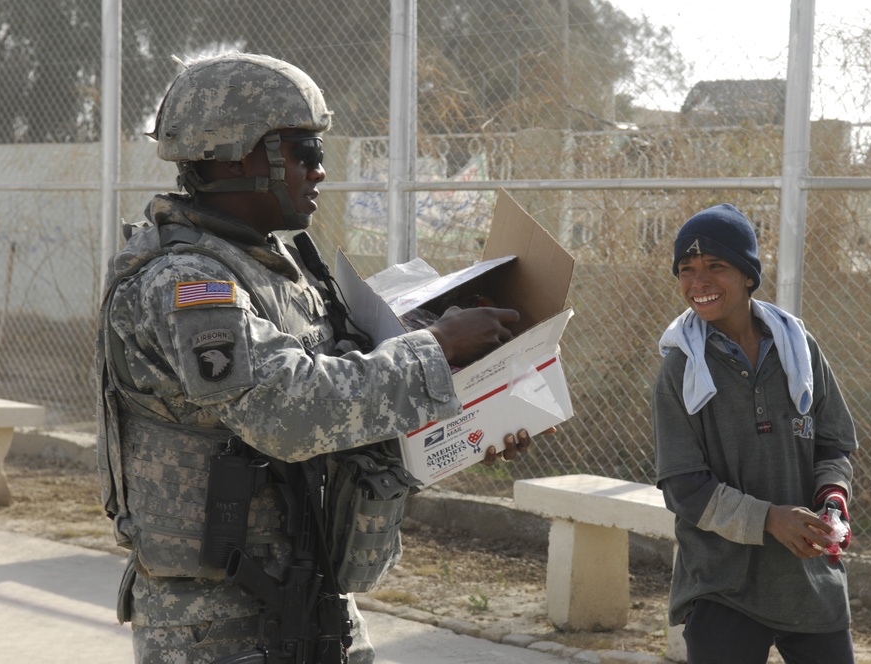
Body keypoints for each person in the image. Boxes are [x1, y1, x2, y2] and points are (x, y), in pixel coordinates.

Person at [96, 52, 539, 664]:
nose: (320, 170)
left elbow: (353, 400)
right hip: (217, 628)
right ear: (234, 156)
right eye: (303, 151)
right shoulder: (186, 284)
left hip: (314, 602)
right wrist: (436, 350)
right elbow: (287, 412)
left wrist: (473, 412)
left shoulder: (288, 272)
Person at [651, 203, 858, 664]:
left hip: (808, 579)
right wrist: (769, 518)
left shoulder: (797, 349)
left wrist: (832, 499)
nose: (698, 282)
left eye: (716, 266)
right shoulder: (681, 368)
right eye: (686, 269)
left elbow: (833, 443)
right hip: (723, 584)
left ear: (748, 274)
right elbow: (684, 488)